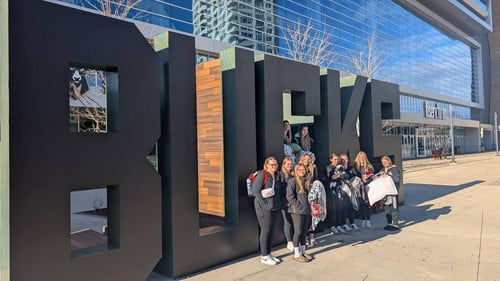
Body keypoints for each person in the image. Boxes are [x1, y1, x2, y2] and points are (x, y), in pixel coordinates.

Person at [253, 156, 282, 265]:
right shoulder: (262, 175)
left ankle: (268, 253)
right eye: (271, 165)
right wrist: (265, 205)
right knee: (265, 230)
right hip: (264, 207)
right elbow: (256, 191)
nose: (274, 166)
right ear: (266, 165)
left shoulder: (276, 175)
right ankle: (264, 256)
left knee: (271, 230)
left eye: (275, 164)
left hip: (274, 206)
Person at [286, 163, 312, 262]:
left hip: (306, 209)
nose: (302, 171)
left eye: (303, 170)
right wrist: (298, 205)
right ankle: (297, 254)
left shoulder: (307, 181)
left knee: (304, 231)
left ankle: (303, 252)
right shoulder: (292, 181)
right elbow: (289, 196)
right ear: (296, 171)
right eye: (299, 170)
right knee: (298, 231)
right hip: (296, 210)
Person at [325, 153, 347, 234]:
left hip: (339, 189)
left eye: (337, 159)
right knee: (333, 209)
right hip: (332, 190)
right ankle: (333, 226)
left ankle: (339, 225)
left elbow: (344, 176)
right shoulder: (328, 168)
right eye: (334, 159)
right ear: (331, 160)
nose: (336, 161)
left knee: (340, 208)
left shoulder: (340, 167)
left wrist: (341, 175)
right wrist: (337, 176)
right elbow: (330, 177)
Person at [379, 155, 401, 231]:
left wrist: (388, 175)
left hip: (393, 193)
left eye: (385, 161)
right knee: (387, 208)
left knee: (394, 207)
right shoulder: (382, 170)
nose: (384, 163)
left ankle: (395, 224)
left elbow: (397, 179)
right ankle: (389, 223)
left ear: (389, 161)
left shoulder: (394, 169)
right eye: (382, 162)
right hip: (385, 193)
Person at [353, 151, 375, 228]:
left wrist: (367, 180)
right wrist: (361, 180)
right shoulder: (355, 167)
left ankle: (368, 220)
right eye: (360, 157)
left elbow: (372, 176)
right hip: (359, 187)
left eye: (363, 157)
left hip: (368, 186)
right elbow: (354, 176)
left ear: (365, 158)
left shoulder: (369, 166)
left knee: (368, 204)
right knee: (362, 204)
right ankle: (363, 220)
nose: (361, 159)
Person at [340, 153, 359, 231]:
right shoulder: (340, 168)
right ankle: (344, 224)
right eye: (343, 159)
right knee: (344, 207)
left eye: (346, 159)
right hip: (343, 190)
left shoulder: (351, 167)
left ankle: (352, 223)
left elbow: (354, 175)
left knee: (351, 206)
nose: (345, 161)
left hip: (351, 189)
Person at [279, 157, 294, 251]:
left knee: (293, 221)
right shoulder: (280, 174)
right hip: (284, 201)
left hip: (292, 201)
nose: (289, 166)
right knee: (287, 221)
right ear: (284, 164)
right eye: (287, 164)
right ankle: (289, 242)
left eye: (291, 164)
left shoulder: (293, 174)